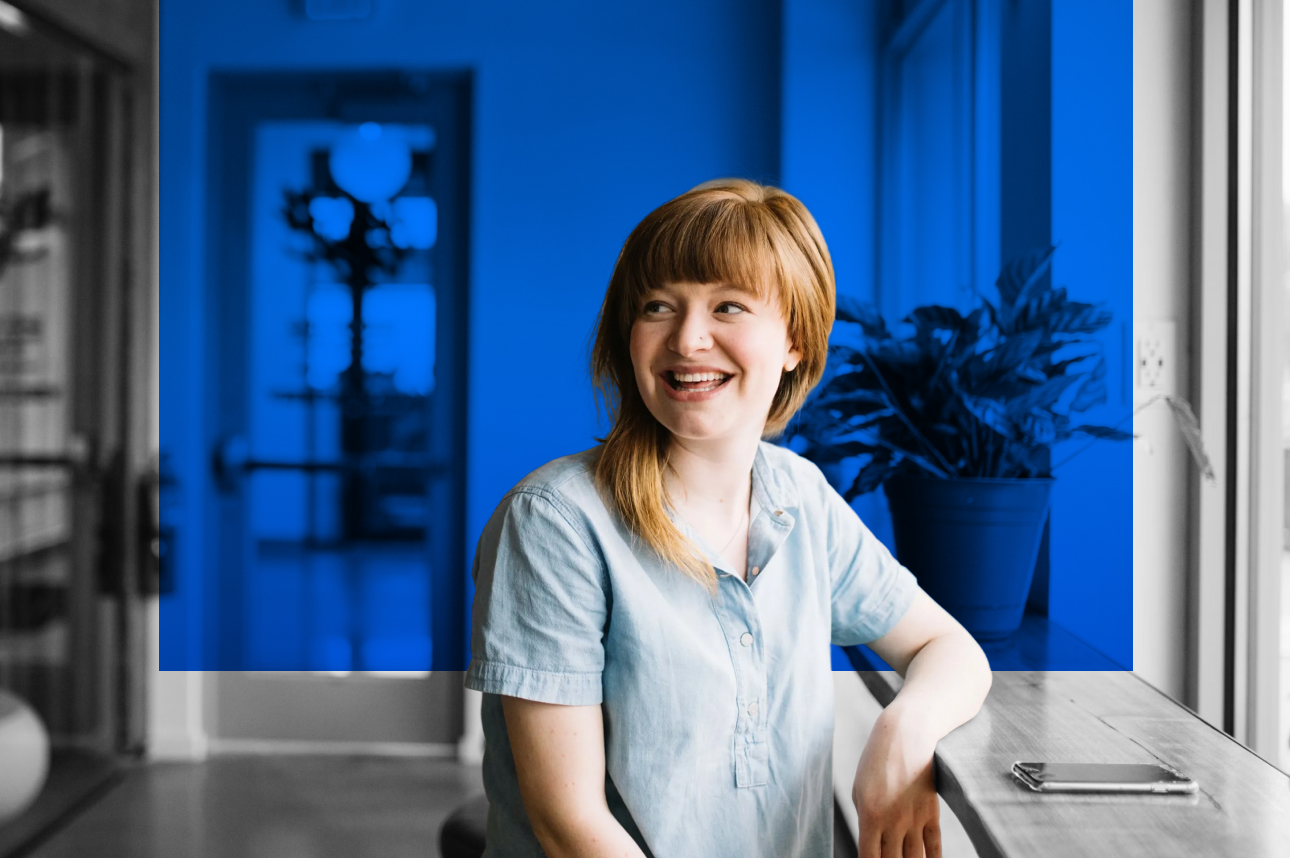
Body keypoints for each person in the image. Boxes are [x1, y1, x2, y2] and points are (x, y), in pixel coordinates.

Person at [465, 179, 992, 858]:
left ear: (795, 340)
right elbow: (572, 830)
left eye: (728, 306)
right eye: (658, 306)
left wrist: (903, 731)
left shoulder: (798, 496)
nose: (688, 339)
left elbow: (950, 651)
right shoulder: (554, 521)